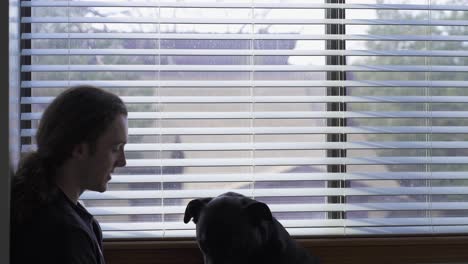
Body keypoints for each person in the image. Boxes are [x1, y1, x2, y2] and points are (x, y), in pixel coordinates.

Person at [10, 85, 128, 264]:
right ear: (79, 149)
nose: (122, 162)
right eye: (115, 149)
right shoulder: (65, 237)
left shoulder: (68, 218)